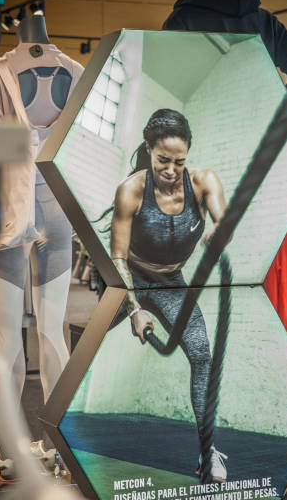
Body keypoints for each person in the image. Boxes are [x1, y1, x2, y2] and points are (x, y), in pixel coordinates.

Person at [0, 14, 83, 473]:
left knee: (6, 339)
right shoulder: (75, 72)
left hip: (4, 213)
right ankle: (63, 449)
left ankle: (9, 450)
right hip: (57, 212)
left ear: (18, 33)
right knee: (53, 333)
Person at [105, 108, 228, 481]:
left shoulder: (204, 181)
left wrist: (220, 232)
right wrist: (134, 308)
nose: (172, 169)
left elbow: (225, 220)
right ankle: (53, 441)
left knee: (202, 354)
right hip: (129, 278)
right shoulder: (131, 190)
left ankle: (209, 452)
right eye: (163, 160)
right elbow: (118, 257)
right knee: (83, 351)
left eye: (179, 161)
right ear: (149, 150)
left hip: (172, 281)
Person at [163, 0, 287, 106]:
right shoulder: (265, 22)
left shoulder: (182, 19)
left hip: (201, 130)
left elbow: (166, 83)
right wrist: (278, 106)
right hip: (256, 134)